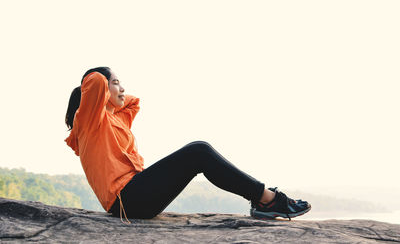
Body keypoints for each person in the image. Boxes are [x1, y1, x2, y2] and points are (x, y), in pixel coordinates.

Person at [64, 67, 311, 224]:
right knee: (198, 151)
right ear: (99, 91)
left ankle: (264, 200)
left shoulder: (116, 118)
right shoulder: (87, 120)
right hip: (126, 200)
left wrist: (113, 91)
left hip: (137, 197)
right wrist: (105, 83)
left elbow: (134, 102)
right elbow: (95, 79)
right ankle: (266, 199)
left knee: (198, 150)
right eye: (116, 82)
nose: (123, 88)